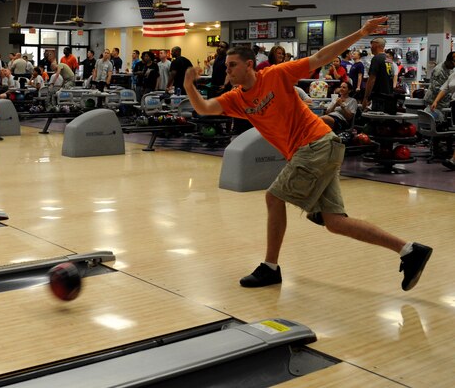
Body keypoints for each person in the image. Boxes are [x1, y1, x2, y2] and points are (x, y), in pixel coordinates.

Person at [182, 16, 431, 292]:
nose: (227, 72)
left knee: (273, 196)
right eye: (226, 67)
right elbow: (204, 108)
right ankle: (409, 250)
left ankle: (270, 267)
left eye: (232, 66)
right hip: (320, 149)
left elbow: (322, 56)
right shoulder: (237, 99)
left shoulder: (276, 75)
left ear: (249, 64)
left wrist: (360, 32)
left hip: (317, 144)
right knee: (335, 223)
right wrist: (189, 86)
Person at [362, 37, 393, 112]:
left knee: (376, 120)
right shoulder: (388, 59)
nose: (371, 48)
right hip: (388, 95)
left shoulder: (376, 58)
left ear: (376, 45)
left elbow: (372, 79)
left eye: (371, 45)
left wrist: (366, 97)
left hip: (379, 96)